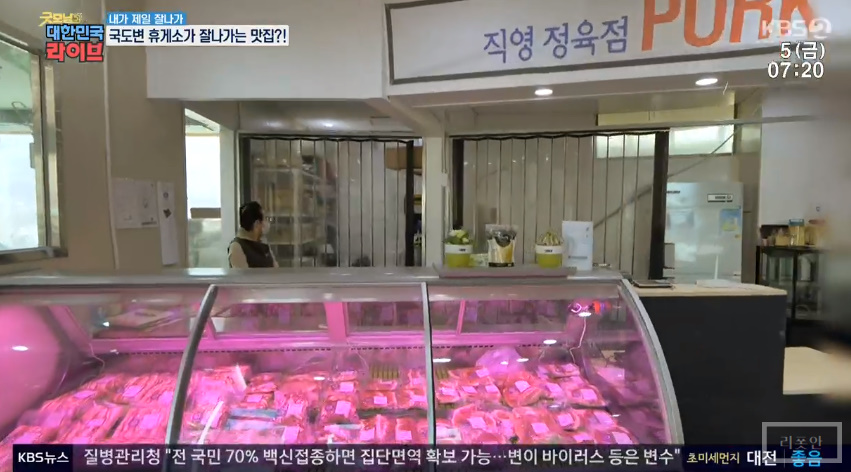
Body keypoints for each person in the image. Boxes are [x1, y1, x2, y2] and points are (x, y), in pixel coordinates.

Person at [228, 201, 278, 268]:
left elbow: (275, 269)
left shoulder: (263, 243)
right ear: (257, 224)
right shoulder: (237, 247)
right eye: (265, 219)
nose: (267, 223)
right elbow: (242, 274)